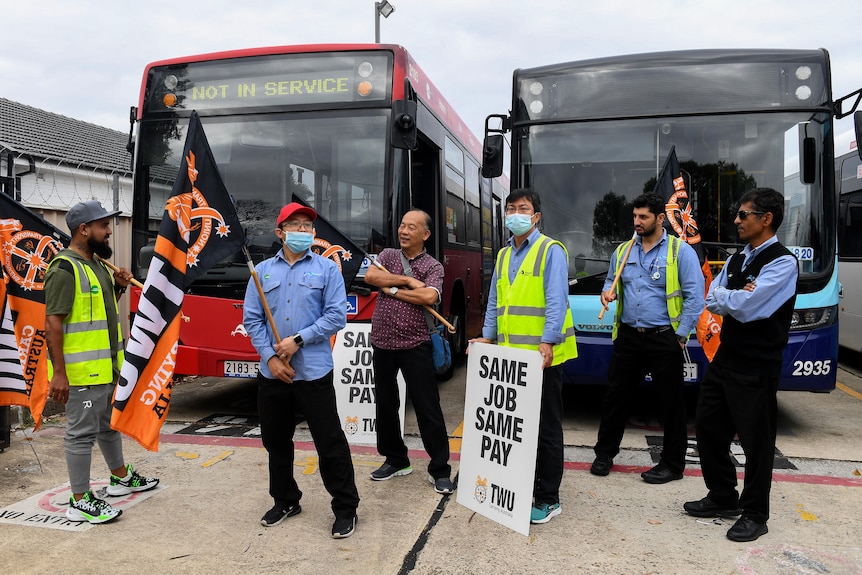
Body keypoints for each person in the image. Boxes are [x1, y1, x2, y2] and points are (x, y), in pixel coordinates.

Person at [684, 188, 798, 542]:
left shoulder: (782, 262)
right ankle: (722, 496)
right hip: (725, 359)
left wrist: (733, 298)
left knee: (756, 443)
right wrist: (737, 296)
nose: (736, 220)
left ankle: (755, 514)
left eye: (743, 214)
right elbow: (712, 298)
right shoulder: (736, 260)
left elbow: (752, 308)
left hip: (757, 366)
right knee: (707, 430)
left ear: (766, 219)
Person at [243, 202, 360, 539]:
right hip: (273, 375)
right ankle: (285, 500)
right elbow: (253, 318)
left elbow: (337, 315)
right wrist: (271, 358)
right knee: (276, 441)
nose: (302, 232)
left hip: (314, 373)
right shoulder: (261, 272)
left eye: (307, 227)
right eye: (294, 226)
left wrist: (297, 340)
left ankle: (345, 507)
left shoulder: (327, 270)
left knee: (330, 442)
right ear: (280, 232)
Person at [45, 200, 159, 525]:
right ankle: (80, 500)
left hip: (108, 368)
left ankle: (120, 478)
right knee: (80, 435)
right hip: (82, 374)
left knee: (110, 425)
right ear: (84, 229)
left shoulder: (96, 265)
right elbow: (53, 322)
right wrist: (60, 375)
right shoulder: (64, 268)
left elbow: (99, 314)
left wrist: (120, 288)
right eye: (103, 226)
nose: (109, 232)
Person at [470, 188, 578, 524]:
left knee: (546, 429)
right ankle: (522, 486)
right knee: (516, 428)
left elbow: (557, 300)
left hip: (542, 358)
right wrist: (487, 337)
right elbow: (495, 302)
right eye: (511, 209)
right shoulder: (503, 256)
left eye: (523, 208)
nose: (516, 214)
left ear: (536, 216)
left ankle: (548, 498)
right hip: (509, 359)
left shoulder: (551, 251)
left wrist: (548, 341)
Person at [591, 193, 704, 484]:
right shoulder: (624, 251)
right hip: (628, 337)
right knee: (615, 398)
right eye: (634, 216)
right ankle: (604, 454)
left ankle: (672, 465)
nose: (637, 222)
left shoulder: (680, 252)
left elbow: (695, 298)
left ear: (660, 219)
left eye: (643, 217)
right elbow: (610, 282)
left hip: (664, 338)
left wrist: (680, 337)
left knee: (671, 404)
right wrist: (608, 292)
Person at [365, 209, 456, 495]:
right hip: (381, 341)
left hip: (415, 344)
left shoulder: (433, 266)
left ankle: (440, 469)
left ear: (425, 234)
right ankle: (395, 459)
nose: (404, 231)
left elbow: (429, 296)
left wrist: (390, 289)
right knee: (386, 404)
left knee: (428, 407)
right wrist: (404, 281)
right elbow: (370, 277)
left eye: (411, 227)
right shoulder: (389, 256)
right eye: (402, 226)